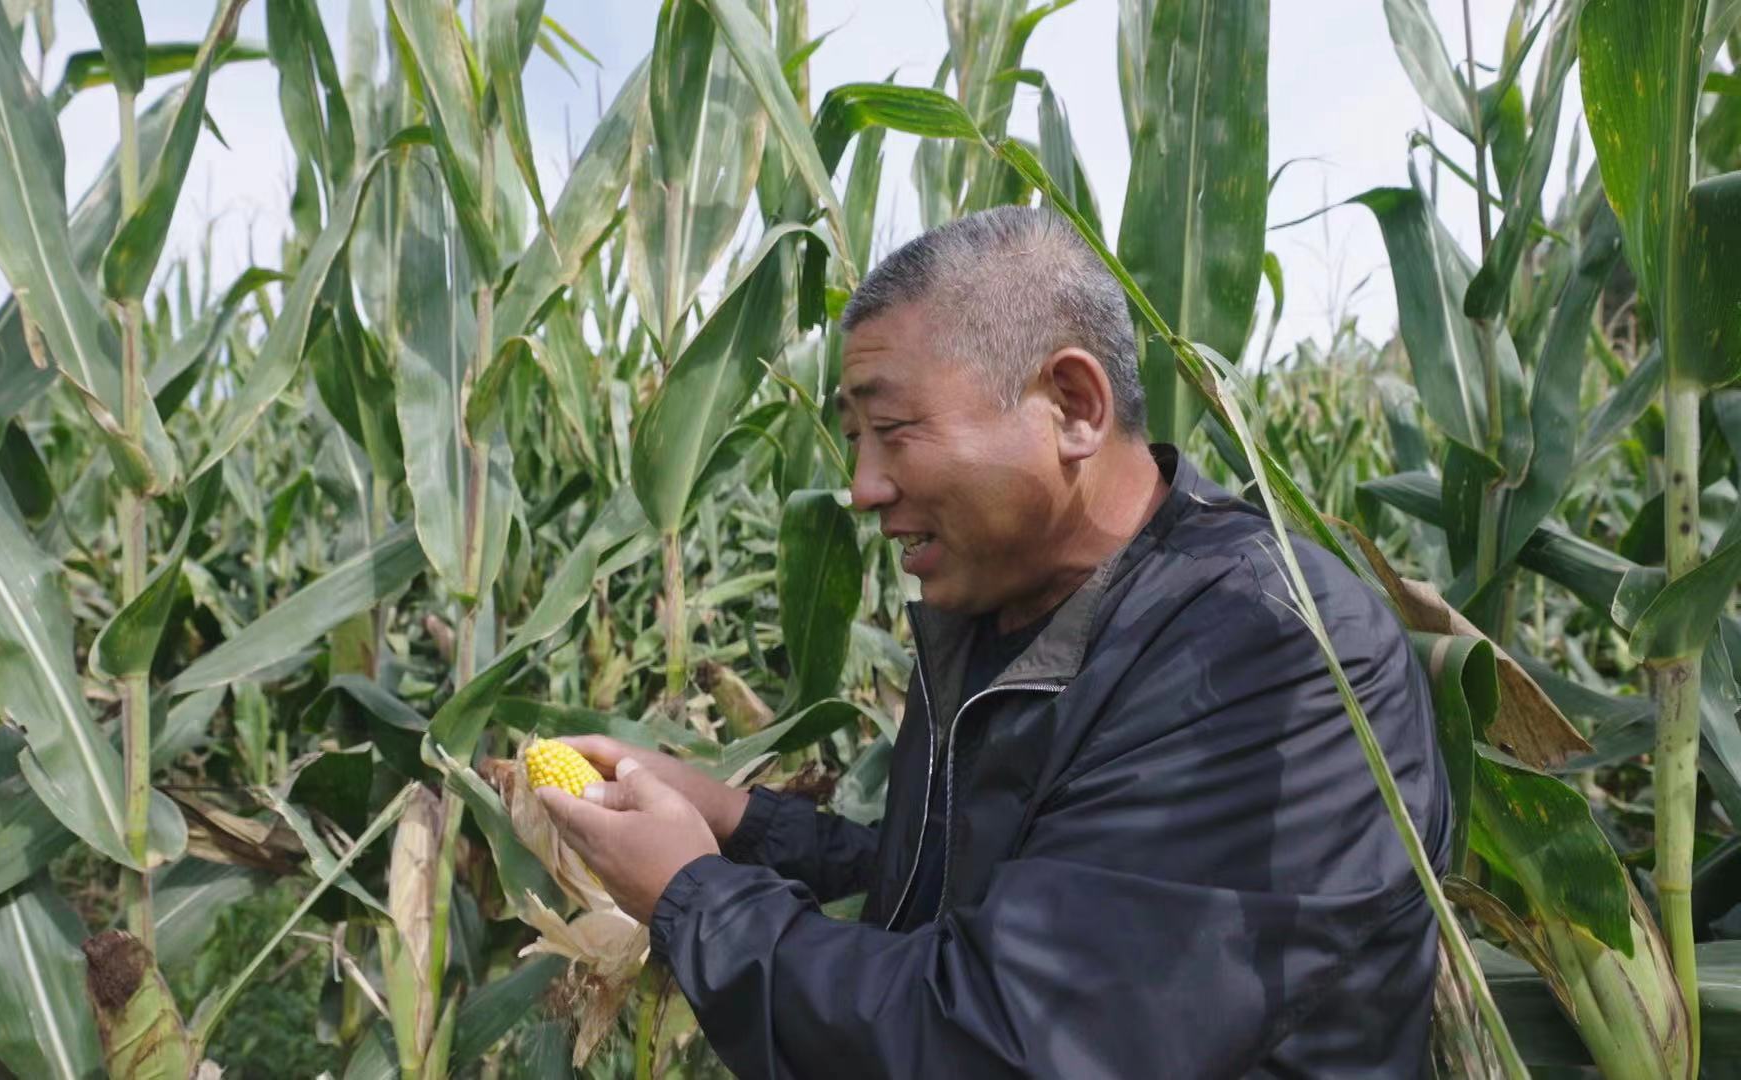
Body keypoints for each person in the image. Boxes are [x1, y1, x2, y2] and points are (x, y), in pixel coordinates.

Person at [537, 206, 1452, 1078]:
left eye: (891, 431)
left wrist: (692, 893)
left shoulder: (1270, 654)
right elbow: (970, 888)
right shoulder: (1007, 612)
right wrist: (739, 823)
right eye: (854, 440)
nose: (861, 488)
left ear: (1072, 406)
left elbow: (999, 1045)